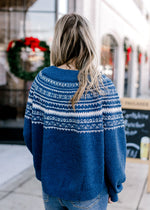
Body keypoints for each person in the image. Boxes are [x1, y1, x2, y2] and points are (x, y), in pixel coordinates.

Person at [23, 13, 126, 210]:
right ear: (89, 42)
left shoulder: (42, 81)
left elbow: (30, 135)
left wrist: (46, 170)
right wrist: (115, 185)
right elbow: (114, 145)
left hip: (52, 187)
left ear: (59, 41)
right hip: (89, 191)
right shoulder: (102, 85)